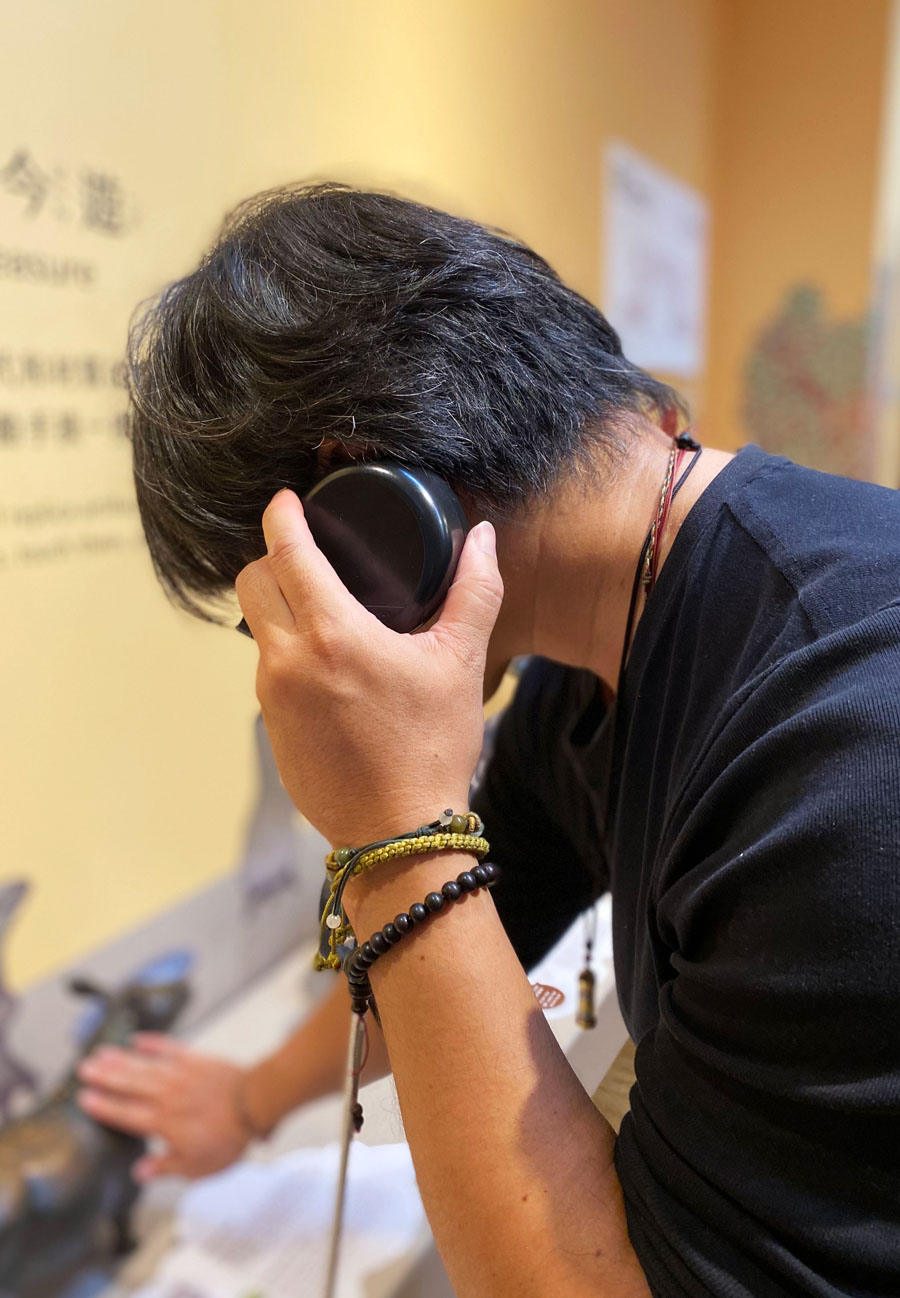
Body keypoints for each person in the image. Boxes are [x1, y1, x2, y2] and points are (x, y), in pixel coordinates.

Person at [78, 184, 900, 1297]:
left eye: (267, 603)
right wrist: (247, 1097)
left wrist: (390, 829)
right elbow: (488, 905)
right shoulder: (591, 660)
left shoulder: (844, 746)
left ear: (365, 525)